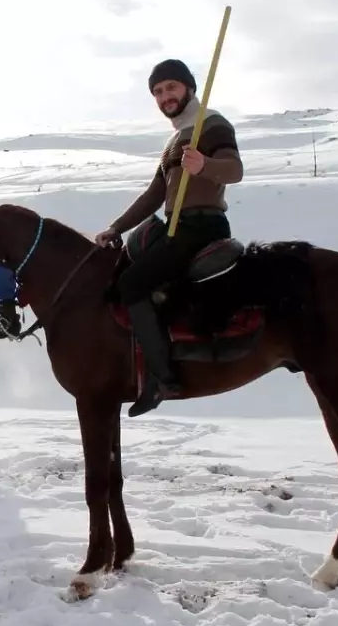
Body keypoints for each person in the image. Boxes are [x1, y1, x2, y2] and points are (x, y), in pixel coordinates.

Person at [93, 58, 243, 418]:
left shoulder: (212, 125)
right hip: (174, 226)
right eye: (158, 92)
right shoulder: (175, 139)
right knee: (122, 276)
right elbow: (153, 195)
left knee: (131, 286)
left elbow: (235, 170)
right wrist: (116, 227)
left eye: (171, 87)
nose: (165, 96)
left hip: (202, 226)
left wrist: (204, 166)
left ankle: (163, 379)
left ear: (189, 88)